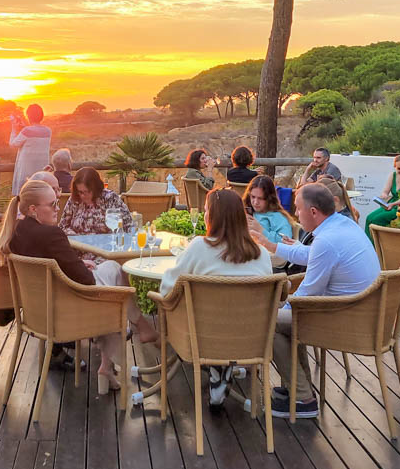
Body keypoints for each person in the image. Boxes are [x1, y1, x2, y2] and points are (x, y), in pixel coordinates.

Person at [0, 180, 154, 392]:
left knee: (113, 281)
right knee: (117, 278)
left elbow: (52, 267)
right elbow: (86, 281)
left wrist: (78, 264)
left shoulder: (16, 232)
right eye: (52, 204)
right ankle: (138, 327)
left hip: (40, 313)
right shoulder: (51, 234)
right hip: (68, 314)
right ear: (33, 209)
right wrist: (82, 268)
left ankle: (111, 361)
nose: (57, 208)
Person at [247, 182, 381, 418]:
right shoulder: (342, 225)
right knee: (282, 316)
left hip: (347, 320)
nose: (296, 214)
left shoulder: (327, 241)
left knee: (268, 321)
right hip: (363, 312)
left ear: (313, 212)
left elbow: (306, 295)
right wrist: (269, 245)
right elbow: (310, 254)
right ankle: (299, 388)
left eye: (298, 209)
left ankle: (302, 399)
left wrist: (278, 305)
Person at [160, 188, 273, 408]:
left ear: (212, 216)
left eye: (205, 211)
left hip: (203, 339)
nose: (204, 215)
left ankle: (215, 367)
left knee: (174, 308)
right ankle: (222, 367)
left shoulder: (199, 247)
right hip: (250, 340)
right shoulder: (261, 254)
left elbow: (167, 290)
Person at [61, 166, 132, 241]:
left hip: (105, 248)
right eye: (80, 192)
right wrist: (78, 238)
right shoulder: (75, 199)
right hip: (78, 247)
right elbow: (63, 226)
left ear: (95, 188)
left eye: (87, 191)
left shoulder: (109, 198)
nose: (83, 195)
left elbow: (128, 226)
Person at [362, 155, 400, 233]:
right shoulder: (393, 175)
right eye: (399, 169)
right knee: (369, 218)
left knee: (376, 220)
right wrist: (383, 196)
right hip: (390, 205)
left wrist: (393, 204)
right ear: (395, 168)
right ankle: (368, 244)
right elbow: (385, 191)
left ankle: (377, 243)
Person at [9, 104, 52, 195]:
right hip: (41, 172)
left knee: (24, 197)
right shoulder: (48, 131)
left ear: (29, 116)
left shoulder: (26, 131)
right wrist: (24, 127)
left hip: (26, 173)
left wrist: (14, 128)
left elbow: (13, 144)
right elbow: (34, 135)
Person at [245, 175, 293, 244]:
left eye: (261, 198)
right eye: (253, 197)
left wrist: (261, 230)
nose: (255, 202)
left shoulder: (278, 217)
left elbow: (286, 243)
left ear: (269, 198)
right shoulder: (247, 211)